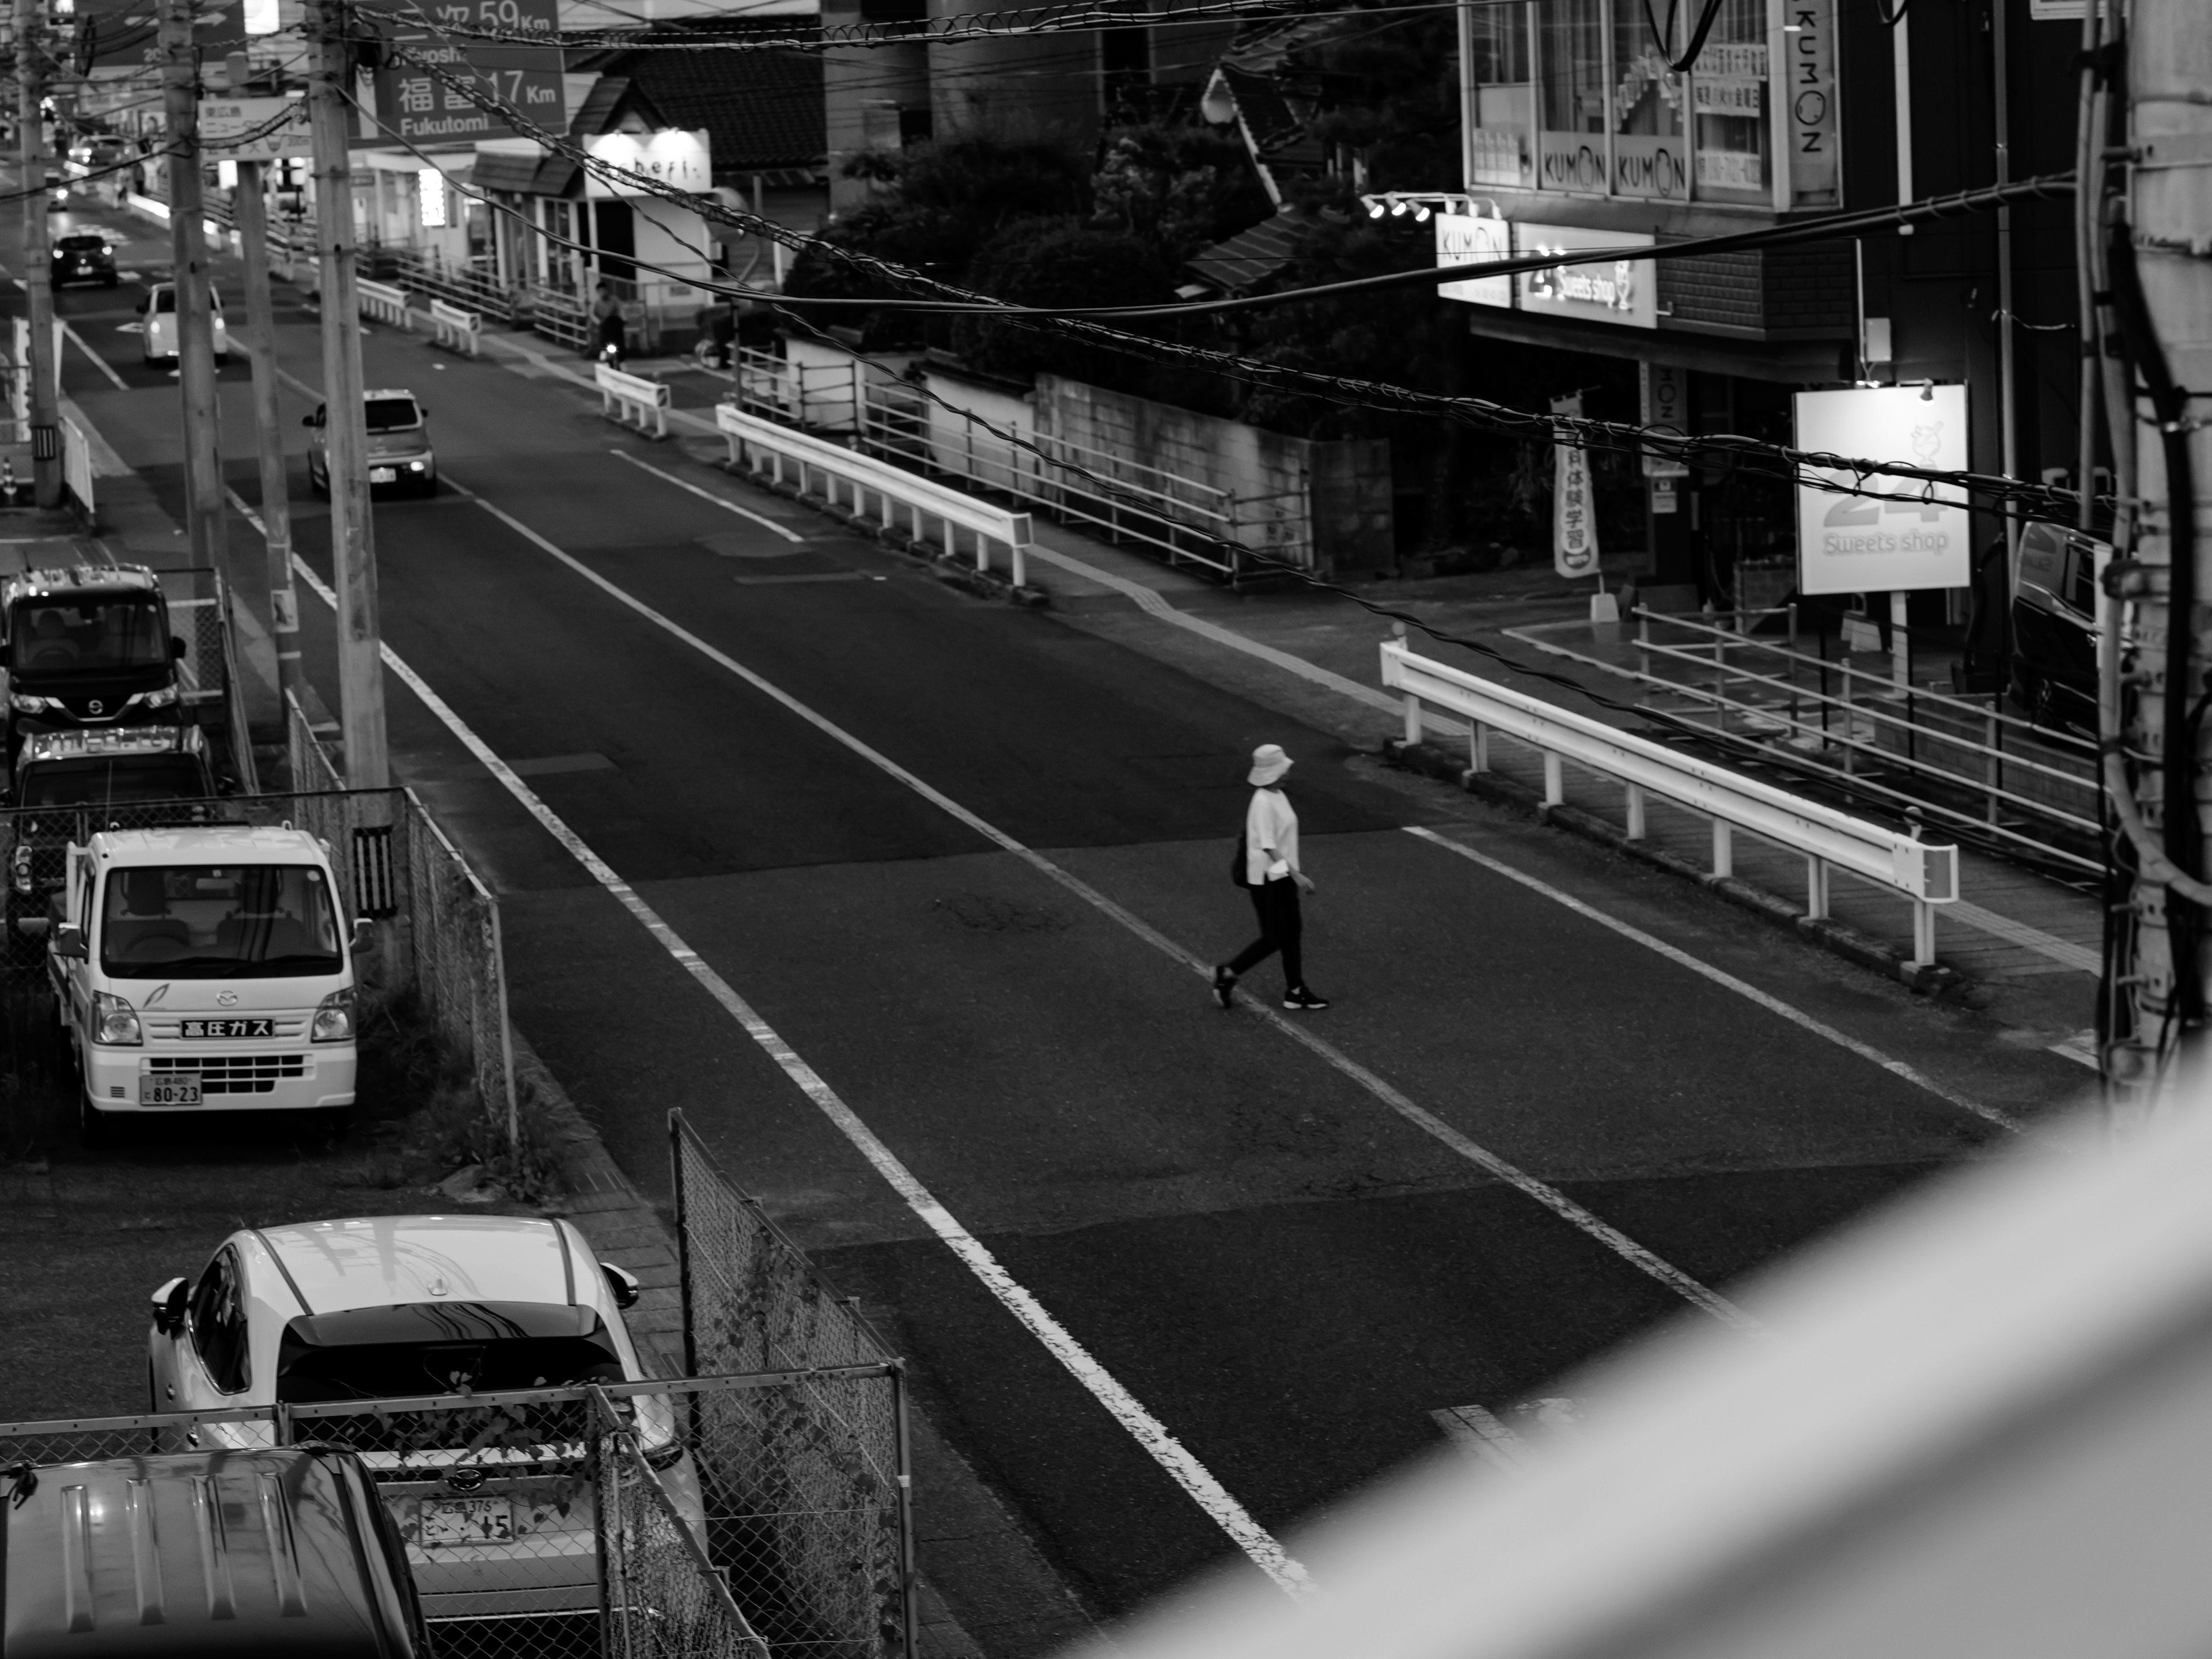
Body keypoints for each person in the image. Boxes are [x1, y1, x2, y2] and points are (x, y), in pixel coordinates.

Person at [1213, 743, 1328, 1010]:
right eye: (1283, 770)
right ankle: (1227, 973)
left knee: (1292, 933)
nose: (1288, 773)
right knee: (1275, 935)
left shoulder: (1278, 794)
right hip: (1266, 879)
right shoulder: (1263, 802)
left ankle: (1296, 991)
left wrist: (1291, 874)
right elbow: (1268, 844)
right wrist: (1297, 875)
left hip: (1281, 875)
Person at [592, 283, 626, 364]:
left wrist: (624, 319)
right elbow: (593, 315)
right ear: (598, 292)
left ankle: (621, 358)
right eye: (601, 291)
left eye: (604, 290)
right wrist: (598, 322)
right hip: (604, 327)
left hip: (615, 325)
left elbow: (622, 309)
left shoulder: (614, 300)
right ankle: (603, 358)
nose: (603, 292)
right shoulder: (597, 303)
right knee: (603, 344)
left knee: (620, 343)